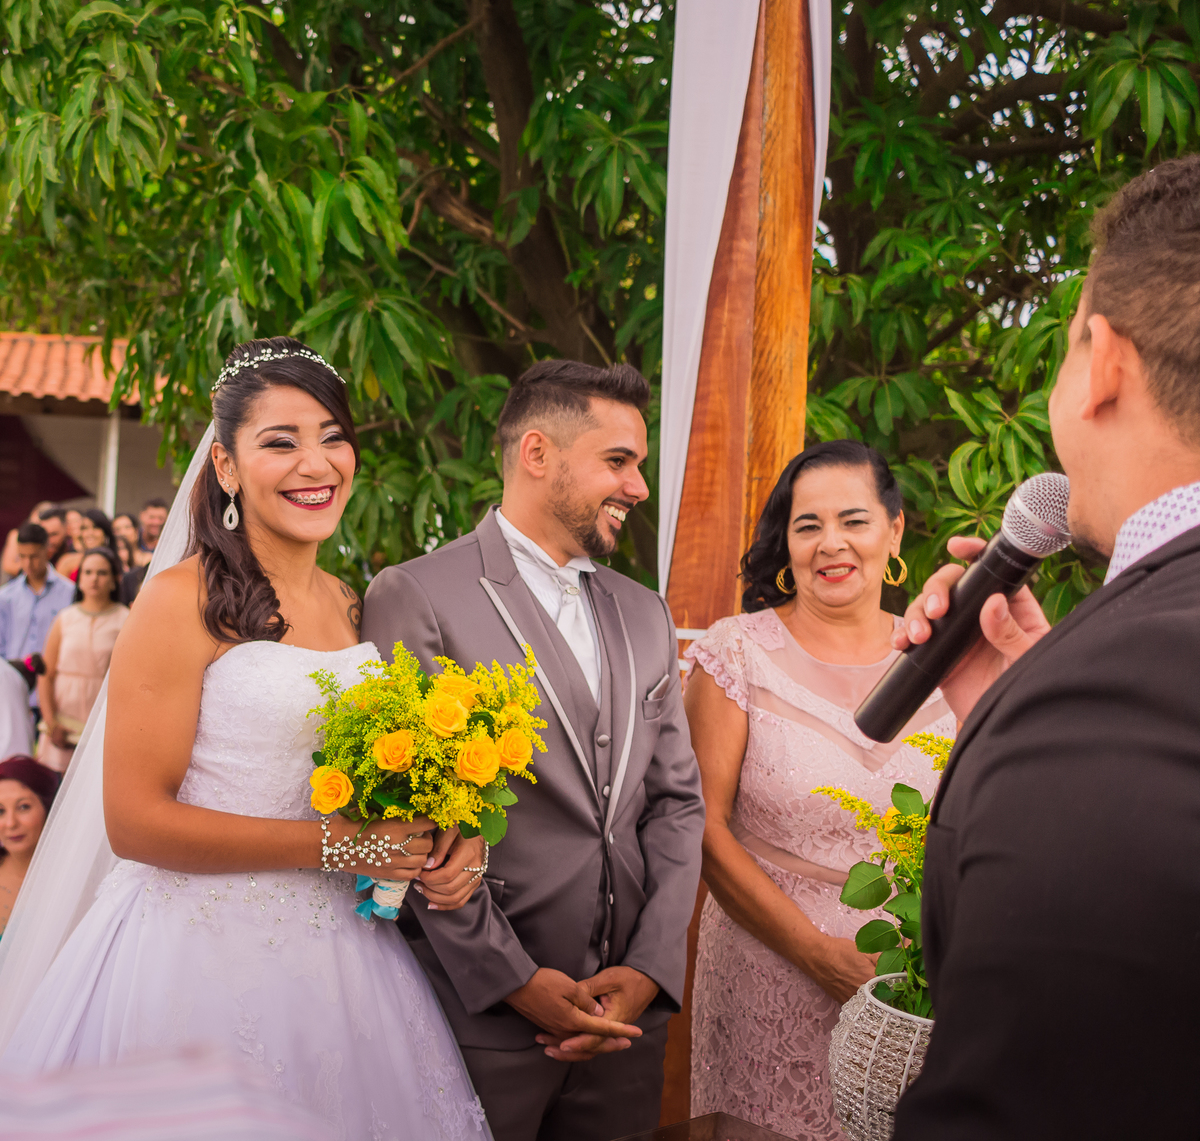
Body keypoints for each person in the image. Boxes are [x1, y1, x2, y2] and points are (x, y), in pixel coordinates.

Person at [0, 338, 491, 1140]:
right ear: (225, 466)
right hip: (194, 955)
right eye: (281, 441)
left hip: (347, 958)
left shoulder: (351, 602)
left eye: (333, 436)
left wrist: (447, 837)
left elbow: (372, 775)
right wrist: (342, 845)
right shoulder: (178, 600)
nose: (316, 463)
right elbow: (134, 821)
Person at [889, 158, 1200, 1139]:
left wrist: (1057, 717)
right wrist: (1019, 701)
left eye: (1066, 347)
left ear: (1103, 361)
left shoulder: (1107, 711)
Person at [361, 359, 706, 1141]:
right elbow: (405, 815)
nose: (638, 485)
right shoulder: (416, 594)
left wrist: (649, 970)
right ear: (538, 453)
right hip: (478, 1023)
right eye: (619, 460)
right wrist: (513, 980)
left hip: (625, 1029)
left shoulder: (646, 612)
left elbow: (677, 804)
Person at [684, 441, 954, 1140]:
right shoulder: (736, 652)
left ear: (894, 530)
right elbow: (702, 826)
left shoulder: (946, 658)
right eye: (808, 526)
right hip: (767, 975)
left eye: (853, 521)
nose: (831, 543)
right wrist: (815, 952)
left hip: (910, 987)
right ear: (787, 543)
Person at [35, 547, 129, 774]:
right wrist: (51, 722)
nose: (94, 578)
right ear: (79, 579)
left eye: (102, 573)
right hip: (62, 716)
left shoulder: (125, 619)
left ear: (114, 579)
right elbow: (46, 674)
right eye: (88, 572)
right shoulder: (65, 618)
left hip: (101, 718)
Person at [0, 526, 75, 686]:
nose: (28, 563)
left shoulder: (69, 592)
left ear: (47, 551)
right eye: (22, 556)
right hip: (13, 684)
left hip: (54, 684)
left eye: (34, 556)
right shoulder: (6, 596)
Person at [0, 757, 59, 939]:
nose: (10, 823)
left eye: (23, 807)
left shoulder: (66, 879)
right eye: (0, 811)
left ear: (48, 809)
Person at [118, 497, 169, 604]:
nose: (156, 522)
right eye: (152, 517)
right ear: (142, 516)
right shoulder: (132, 540)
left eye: (160, 518)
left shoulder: (168, 544)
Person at [54, 509, 122, 582]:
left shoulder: (116, 562)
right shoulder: (68, 562)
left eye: (95, 527)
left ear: (105, 532)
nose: (90, 533)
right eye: (85, 528)